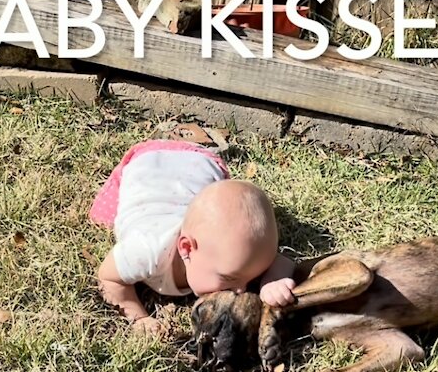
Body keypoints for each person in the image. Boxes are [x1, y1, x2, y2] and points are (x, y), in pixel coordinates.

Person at [90, 139, 296, 336]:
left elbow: (281, 261)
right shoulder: (146, 250)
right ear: (187, 249)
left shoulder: (232, 257)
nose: (241, 290)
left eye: (250, 278)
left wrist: (272, 282)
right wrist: (139, 318)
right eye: (228, 279)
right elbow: (108, 277)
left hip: (199, 165)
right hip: (149, 164)